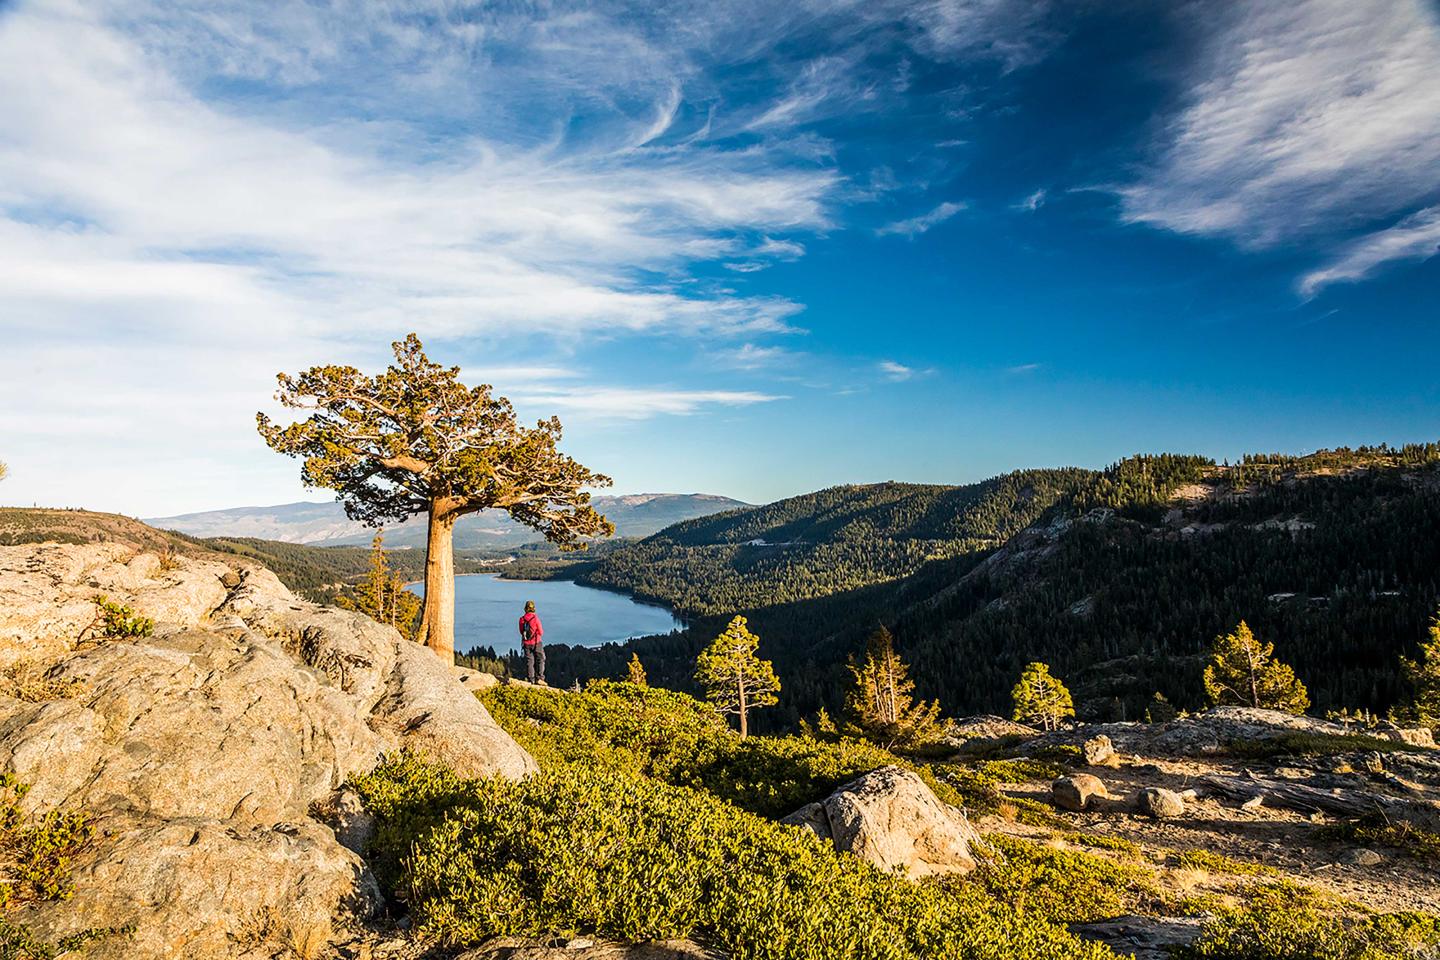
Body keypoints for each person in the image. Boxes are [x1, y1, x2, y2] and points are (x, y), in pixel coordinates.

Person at [519, 600, 545, 685]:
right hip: (537, 642)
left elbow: (521, 631)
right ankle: (540, 678)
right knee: (540, 659)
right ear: (533, 608)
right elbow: (541, 632)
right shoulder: (535, 618)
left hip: (526, 643)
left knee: (530, 662)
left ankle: (531, 679)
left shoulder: (522, 619)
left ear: (525, 609)